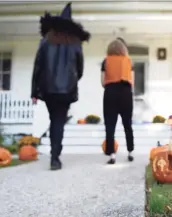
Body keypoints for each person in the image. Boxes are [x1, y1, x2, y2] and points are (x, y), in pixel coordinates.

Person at [31, 2, 90, 170]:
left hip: (48, 89)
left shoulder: (45, 41)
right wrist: (71, 80)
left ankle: (54, 154)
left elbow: (38, 67)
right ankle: (55, 156)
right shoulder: (75, 42)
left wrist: (34, 91)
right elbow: (80, 69)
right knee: (59, 121)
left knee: (54, 119)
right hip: (66, 90)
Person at [101, 39, 135, 164]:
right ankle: (130, 152)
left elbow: (102, 82)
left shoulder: (106, 61)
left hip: (110, 93)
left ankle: (112, 155)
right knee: (127, 125)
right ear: (123, 49)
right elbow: (132, 81)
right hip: (126, 93)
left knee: (110, 126)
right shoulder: (129, 61)